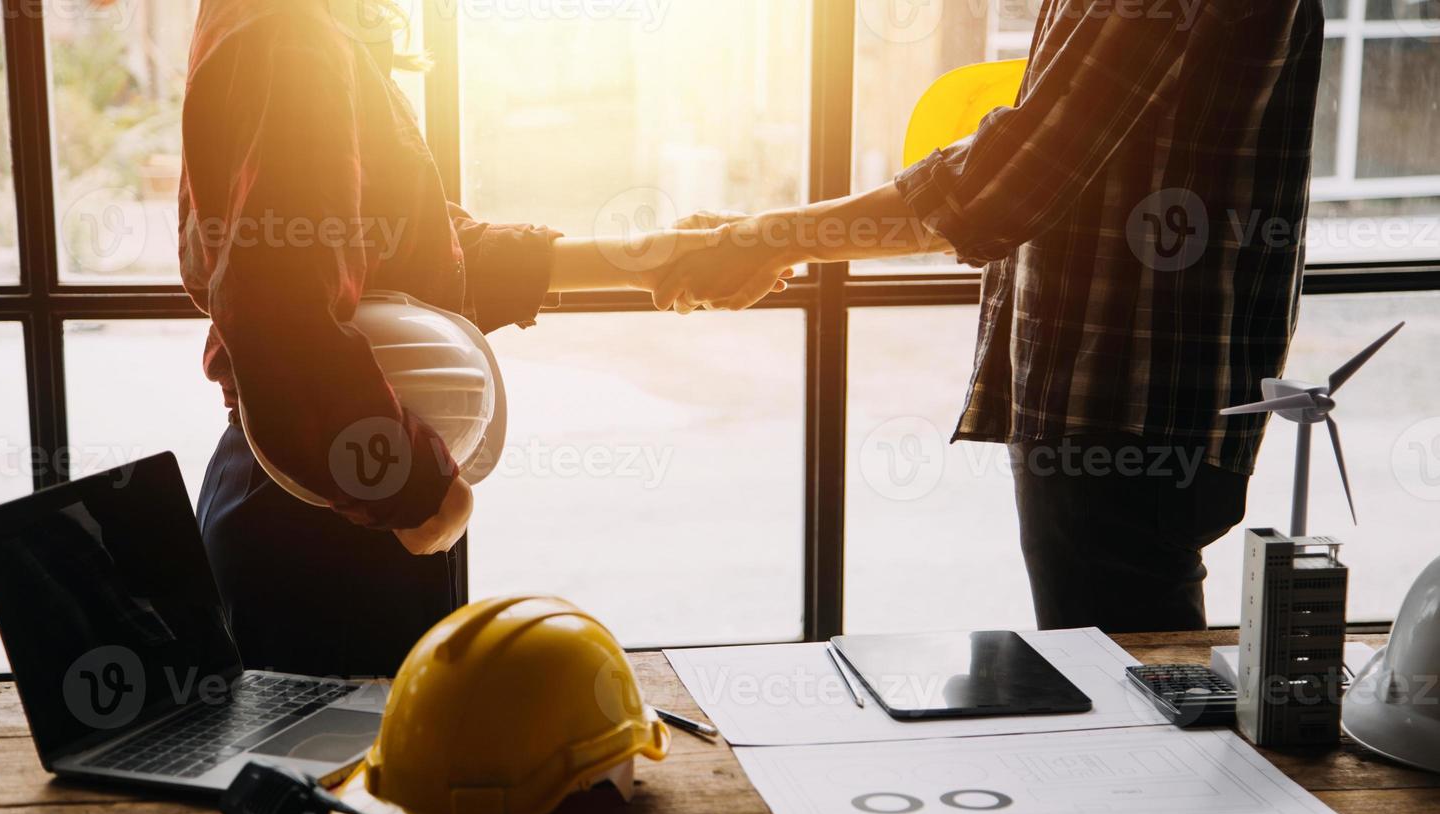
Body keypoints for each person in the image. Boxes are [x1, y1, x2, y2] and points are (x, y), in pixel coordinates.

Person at [664, 0, 1325, 634]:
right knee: (1127, 674)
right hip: (1126, 398)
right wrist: (763, 233)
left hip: (1124, 400)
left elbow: (1009, 179)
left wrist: (771, 236)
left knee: (1130, 696)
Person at [180, 0, 770, 677]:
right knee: (352, 774)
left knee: (362, 765)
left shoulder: (298, 27)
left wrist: (654, 257)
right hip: (330, 510)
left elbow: (416, 252)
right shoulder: (289, 31)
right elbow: (279, 307)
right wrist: (415, 490)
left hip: (331, 493)